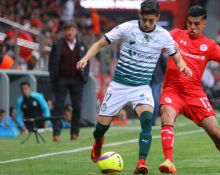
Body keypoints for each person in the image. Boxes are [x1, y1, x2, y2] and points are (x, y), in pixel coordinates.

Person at [76, 0, 192, 174]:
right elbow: (100, 43)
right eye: (144, 19)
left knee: (146, 120)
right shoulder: (127, 28)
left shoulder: (164, 36)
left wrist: (182, 65)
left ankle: (141, 162)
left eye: (151, 20)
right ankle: (98, 141)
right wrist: (85, 58)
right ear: (139, 15)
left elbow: (177, 57)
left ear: (157, 17)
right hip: (119, 86)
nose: (147, 23)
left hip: (141, 87)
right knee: (100, 128)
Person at [158, 5, 220, 174]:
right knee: (166, 117)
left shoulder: (209, 45)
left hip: (194, 95)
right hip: (172, 91)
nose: (192, 27)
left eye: (196, 24)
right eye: (189, 23)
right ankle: (168, 161)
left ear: (204, 24)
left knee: (216, 133)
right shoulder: (175, 35)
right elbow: (155, 41)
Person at [49, 21, 89, 142]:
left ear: (76, 31)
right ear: (64, 32)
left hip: (77, 79)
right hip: (61, 79)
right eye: (67, 30)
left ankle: (74, 133)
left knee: (77, 107)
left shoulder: (82, 45)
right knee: (58, 106)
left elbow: (88, 62)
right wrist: (54, 79)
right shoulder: (58, 44)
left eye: (71, 30)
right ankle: (56, 133)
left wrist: (84, 77)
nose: (69, 32)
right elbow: (51, 63)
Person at [150, 53, 168, 126]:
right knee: (145, 99)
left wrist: (164, 78)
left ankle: (152, 120)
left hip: (156, 79)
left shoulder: (159, 52)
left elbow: (164, 66)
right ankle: (147, 120)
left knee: (154, 99)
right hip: (145, 78)